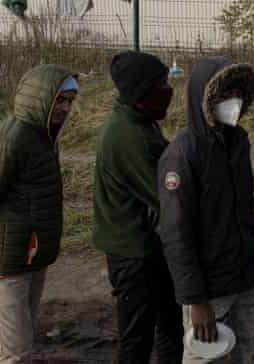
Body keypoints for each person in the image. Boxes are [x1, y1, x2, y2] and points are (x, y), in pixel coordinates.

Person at [0, 64, 78, 364]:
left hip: (27, 257)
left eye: (69, 100)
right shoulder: (12, 139)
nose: (65, 107)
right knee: (12, 354)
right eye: (59, 99)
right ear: (40, 98)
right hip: (2, 265)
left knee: (20, 350)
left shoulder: (41, 136)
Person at [157, 57, 254, 364]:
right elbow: (176, 234)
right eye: (224, 95)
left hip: (244, 277)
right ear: (204, 98)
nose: (234, 103)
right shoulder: (181, 155)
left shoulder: (238, 141)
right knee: (206, 357)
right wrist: (195, 300)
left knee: (249, 351)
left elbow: (245, 205)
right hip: (209, 291)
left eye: (238, 94)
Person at [94, 51, 183, 363]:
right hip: (132, 254)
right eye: (161, 83)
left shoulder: (139, 122)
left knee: (170, 324)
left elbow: (167, 172)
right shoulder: (128, 135)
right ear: (140, 90)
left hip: (147, 246)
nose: (167, 89)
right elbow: (168, 195)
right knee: (137, 339)